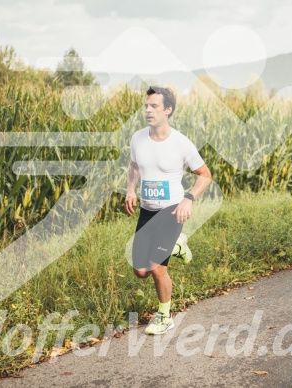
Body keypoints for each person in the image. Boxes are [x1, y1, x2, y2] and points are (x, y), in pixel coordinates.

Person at [125, 86, 212, 335]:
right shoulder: (137, 138)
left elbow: (205, 175)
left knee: (156, 267)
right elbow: (133, 166)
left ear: (168, 110)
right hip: (147, 211)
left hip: (172, 211)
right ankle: (178, 246)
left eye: (154, 106)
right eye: (146, 106)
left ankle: (165, 316)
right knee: (140, 271)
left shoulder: (181, 143)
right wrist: (130, 190)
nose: (148, 111)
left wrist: (188, 199)